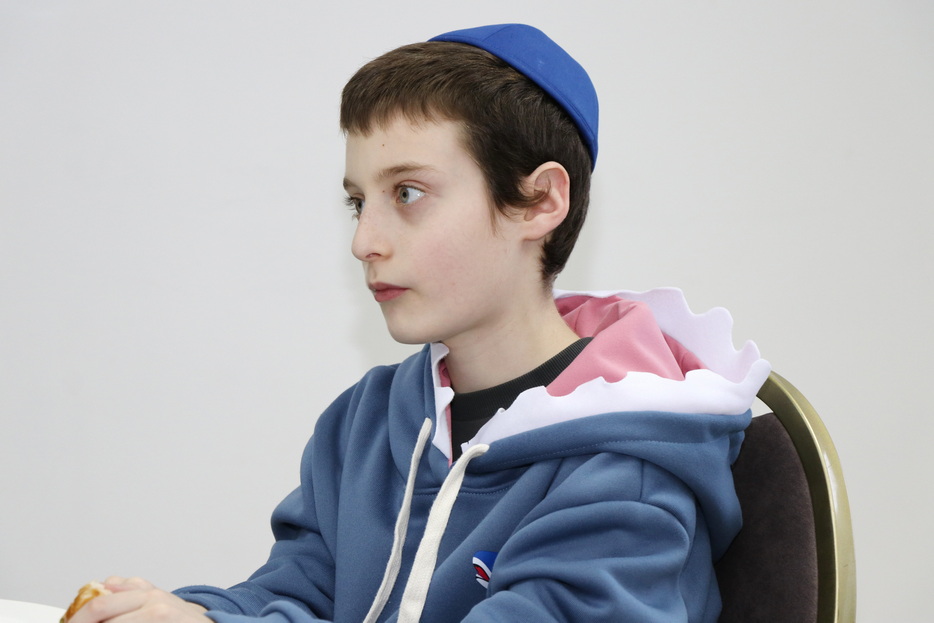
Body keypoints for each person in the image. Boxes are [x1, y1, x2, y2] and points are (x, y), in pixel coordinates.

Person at [70, 23, 770, 623]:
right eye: (358, 202)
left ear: (538, 201)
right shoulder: (367, 423)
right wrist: (201, 615)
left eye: (407, 193)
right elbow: (295, 595)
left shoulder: (628, 473)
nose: (364, 241)